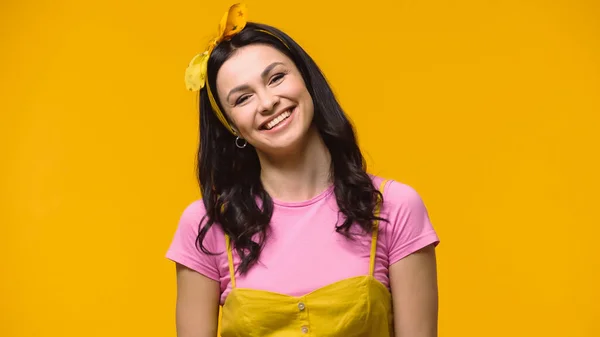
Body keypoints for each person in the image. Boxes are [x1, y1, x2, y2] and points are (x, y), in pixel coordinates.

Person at [166, 3, 440, 336]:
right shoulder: (206, 226)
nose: (267, 102)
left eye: (276, 77)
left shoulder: (396, 208)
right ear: (231, 126)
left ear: (306, 79)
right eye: (242, 99)